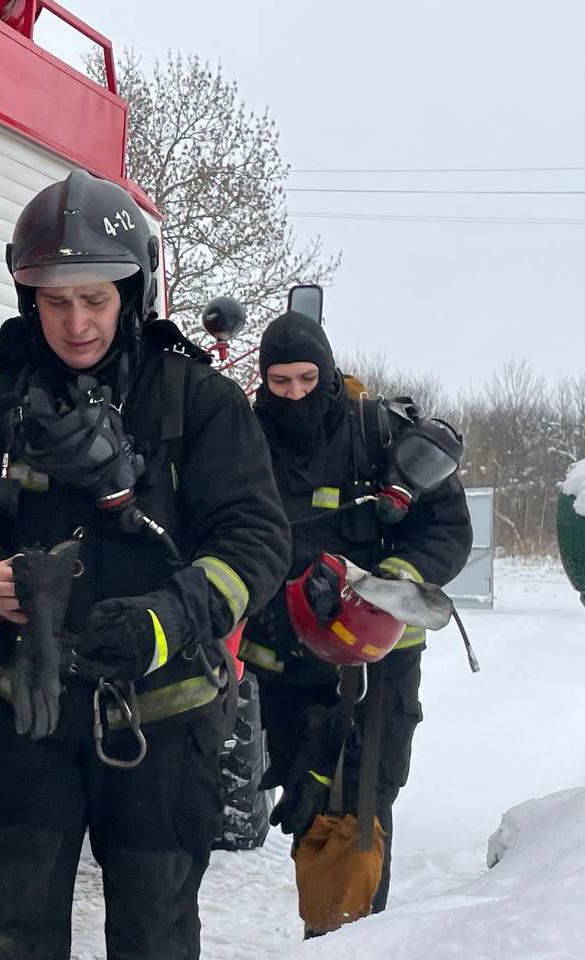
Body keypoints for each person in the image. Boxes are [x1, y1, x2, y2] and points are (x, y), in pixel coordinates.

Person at [0, 168, 290, 960]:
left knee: (154, 937)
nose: (77, 323)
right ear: (29, 301)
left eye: (94, 299)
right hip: (26, 719)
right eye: (55, 302)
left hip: (163, 726)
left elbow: (257, 539)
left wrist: (170, 619)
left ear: (132, 291)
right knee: (8, 936)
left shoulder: (200, 403)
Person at [239, 310, 473, 930]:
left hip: (380, 661)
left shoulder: (380, 434)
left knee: (366, 801)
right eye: (280, 382)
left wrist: (388, 582)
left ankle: (357, 937)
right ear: (264, 380)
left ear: (329, 370)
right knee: (310, 798)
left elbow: (448, 529)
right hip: (288, 657)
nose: (295, 395)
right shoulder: (244, 441)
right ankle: (327, 933)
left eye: (307, 379)